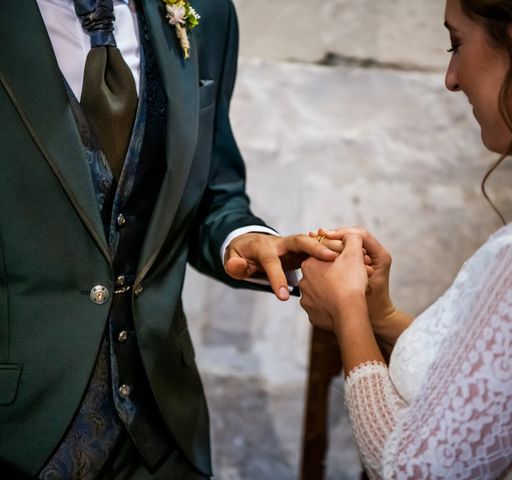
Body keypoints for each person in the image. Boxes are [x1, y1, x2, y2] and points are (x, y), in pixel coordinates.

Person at [298, 0, 512, 478]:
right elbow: (504, 390)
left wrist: (348, 313)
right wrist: (383, 316)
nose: (451, 77)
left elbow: (411, 472)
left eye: (456, 44)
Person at [0, 0, 338, 478]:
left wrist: (241, 239)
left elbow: (210, 191)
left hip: (164, 430)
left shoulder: (208, 15)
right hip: (21, 429)